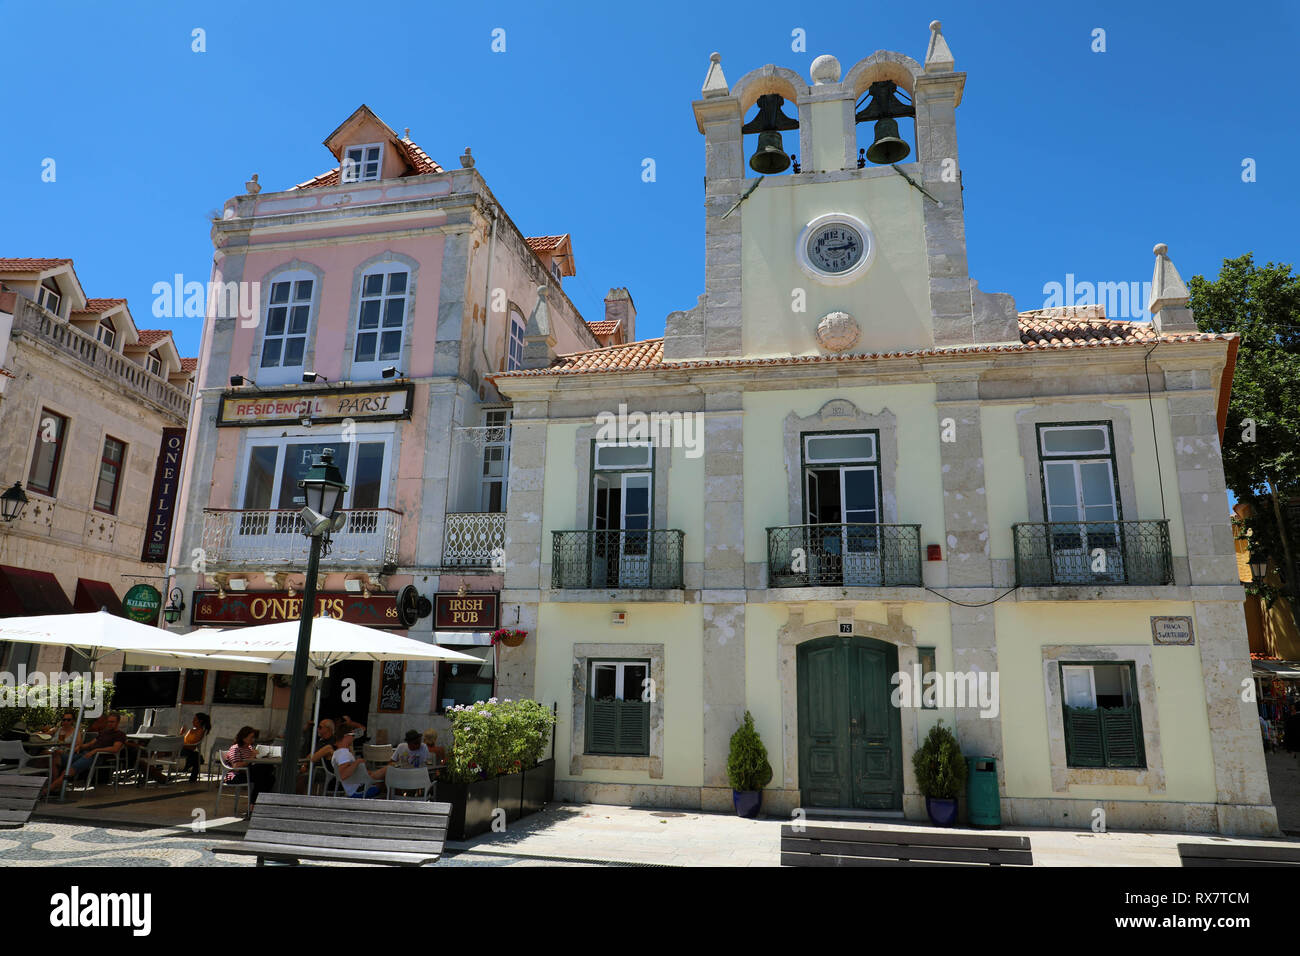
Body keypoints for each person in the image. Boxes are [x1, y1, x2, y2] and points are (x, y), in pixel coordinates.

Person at [48, 712, 127, 794]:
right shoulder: (104, 732)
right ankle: (56, 787)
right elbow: (90, 744)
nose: (109, 724)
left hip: (97, 757)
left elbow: (115, 749)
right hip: (86, 753)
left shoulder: (120, 734)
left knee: (68, 771)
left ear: (117, 722)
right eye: (108, 722)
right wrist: (80, 746)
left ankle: (47, 790)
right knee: (55, 757)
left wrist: (96, 750)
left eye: (112, 722)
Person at [224, 726, 276, 813]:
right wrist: (251, 758)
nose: (253, 740)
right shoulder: (235, 748)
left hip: (248, 773)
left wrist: (259, 756)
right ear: (244, 737)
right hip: (234, 775)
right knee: (265, 773)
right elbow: (236, 767)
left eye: (254, 737)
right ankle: (254, 804)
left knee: (269, 778)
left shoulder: (249, 748)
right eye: (251, 737)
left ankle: (254, 804)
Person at [331, 729, 386, 798]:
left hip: (355, 787)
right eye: (353, 735)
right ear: (346, 736)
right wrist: (357, 762)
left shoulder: (337, 753)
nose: (354, 738)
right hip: (358, 791)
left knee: (386, 772)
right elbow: (343, 775)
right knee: (389, 772)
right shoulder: (343, 754)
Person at [180, 713, 211, 783]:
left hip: (187, 749)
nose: (192, 721)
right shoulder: (191, 730)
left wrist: (181, 741)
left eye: (195, 719)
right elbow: (185, 741)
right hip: (183, 748)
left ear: (200, 721)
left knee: (196, 756)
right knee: (197, 756)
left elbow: (192, 744)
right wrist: (181, 734)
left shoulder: (200, 731)